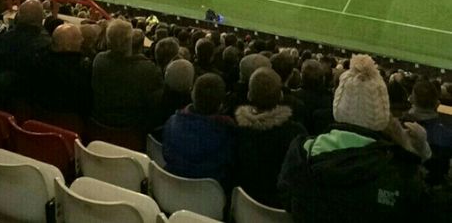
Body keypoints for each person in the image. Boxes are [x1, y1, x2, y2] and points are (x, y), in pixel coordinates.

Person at [278, 54, 429, 222]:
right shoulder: (404, 173)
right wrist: (421, 152)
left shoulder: (301, 152)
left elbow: (286, 199)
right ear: (381, 114)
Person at [234, 68, 306, 207]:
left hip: (241, 207)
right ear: (280, 96)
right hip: (277, 209)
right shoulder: (296, 134)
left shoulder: (236, 128)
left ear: (249, 95)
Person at [162, 73, 235, 189]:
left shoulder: (172, 122)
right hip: (210, 196)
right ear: (221, 104)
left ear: (192, 94)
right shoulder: (228, 132)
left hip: (169, 189)